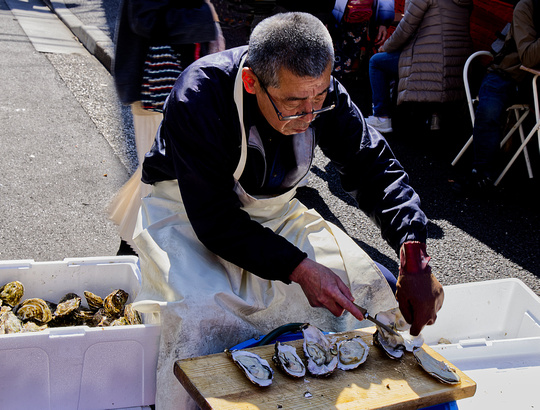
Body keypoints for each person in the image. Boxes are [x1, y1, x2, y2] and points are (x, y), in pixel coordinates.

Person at [132, 12, 443, 408]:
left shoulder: (319, 95)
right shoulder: (200, 94)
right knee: (195, 317)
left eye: (320, 98)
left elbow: (374, 168)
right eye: (294, 105)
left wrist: (413, 253)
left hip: (275, 211)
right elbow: (216, 220)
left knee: (369, 285)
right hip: (187, 213)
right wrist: (299, 268)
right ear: (251, 82)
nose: (310, 116)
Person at [109, 0, 224, 255]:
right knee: (158, 178)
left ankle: (130, 250)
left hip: (165, 89)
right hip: (156, 90)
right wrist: (207, 19)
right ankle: (131, 252)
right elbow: (145, 19)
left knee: (154, 176)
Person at [458, 0, 540, 193]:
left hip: (532, 80)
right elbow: (528, 56)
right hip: (507, 74)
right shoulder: (526, 6)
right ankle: (481, 173)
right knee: (489, 108)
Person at [365, 0, 473, 133]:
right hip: (457, 63)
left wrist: (385, 47)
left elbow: (406, 27)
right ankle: (435, 116)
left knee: (377, 62)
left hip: (429, 61)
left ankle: (382, 118)